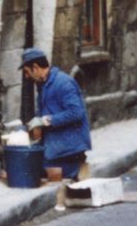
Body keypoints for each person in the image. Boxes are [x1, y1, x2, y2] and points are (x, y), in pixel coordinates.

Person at [20, 47, 91, 180]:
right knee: (26, 165)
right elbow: (42, 114)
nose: (26, 76)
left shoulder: (63, 83)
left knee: (32, 170)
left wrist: (47, 120)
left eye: (27, 71)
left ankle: (76, 172)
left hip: (69, 149)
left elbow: (76, 113)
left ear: (35, 67)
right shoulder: (44, 84)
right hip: (56, 145)